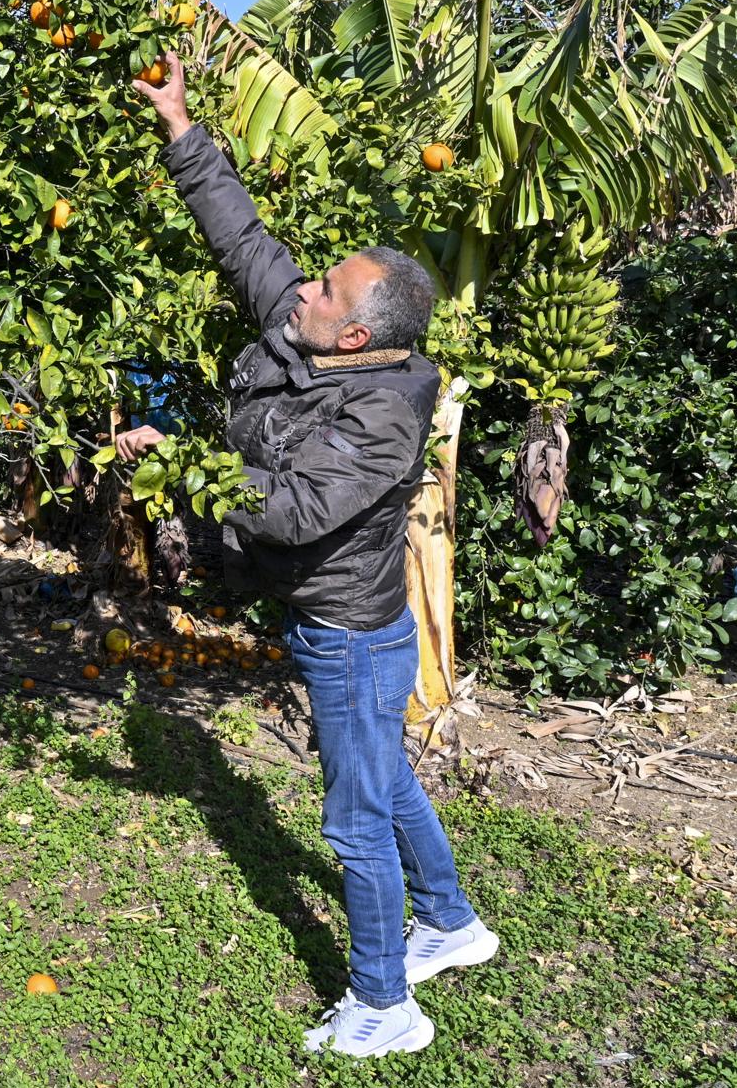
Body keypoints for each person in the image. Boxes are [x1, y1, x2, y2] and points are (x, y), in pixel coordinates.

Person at [116, 52, 499, 1057]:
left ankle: (384, 1003)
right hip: (348, 626)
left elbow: (288, 511)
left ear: (361, 329)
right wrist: (182, 130)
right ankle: (452, 922)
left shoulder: (380, 417)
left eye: (326, 289)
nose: (304, 289)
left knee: (355, 819)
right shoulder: (315, 333)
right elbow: (246, 241)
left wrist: (186, 466)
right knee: (386, 779)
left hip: (348, 632)